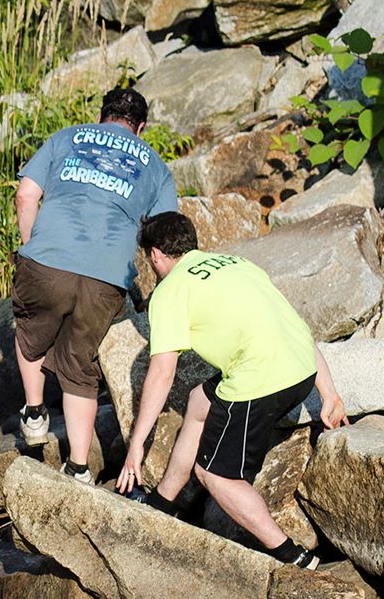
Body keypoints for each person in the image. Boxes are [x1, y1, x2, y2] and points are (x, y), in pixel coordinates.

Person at [113, 211, 347, 571]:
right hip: (303, 369)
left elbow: (161, 373)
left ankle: (293, 557)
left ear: (155, 255)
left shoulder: (170, 292)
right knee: (199, 401)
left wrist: (136, 447)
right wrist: (329, 393)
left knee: (215, 474)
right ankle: (163, 504)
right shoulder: (237, 264)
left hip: (261, 381)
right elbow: (292, 324)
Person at [12, 86, 179, 483]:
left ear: (101, 116)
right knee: (80, 365)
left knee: (31, 331)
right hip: (107, 275)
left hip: (48, 256)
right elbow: (166, 233)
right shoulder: (156, 165)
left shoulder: (67, 137)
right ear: (140, 127)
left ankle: (35, 414)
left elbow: (25, 196)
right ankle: (79, 468)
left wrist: (30, 247)